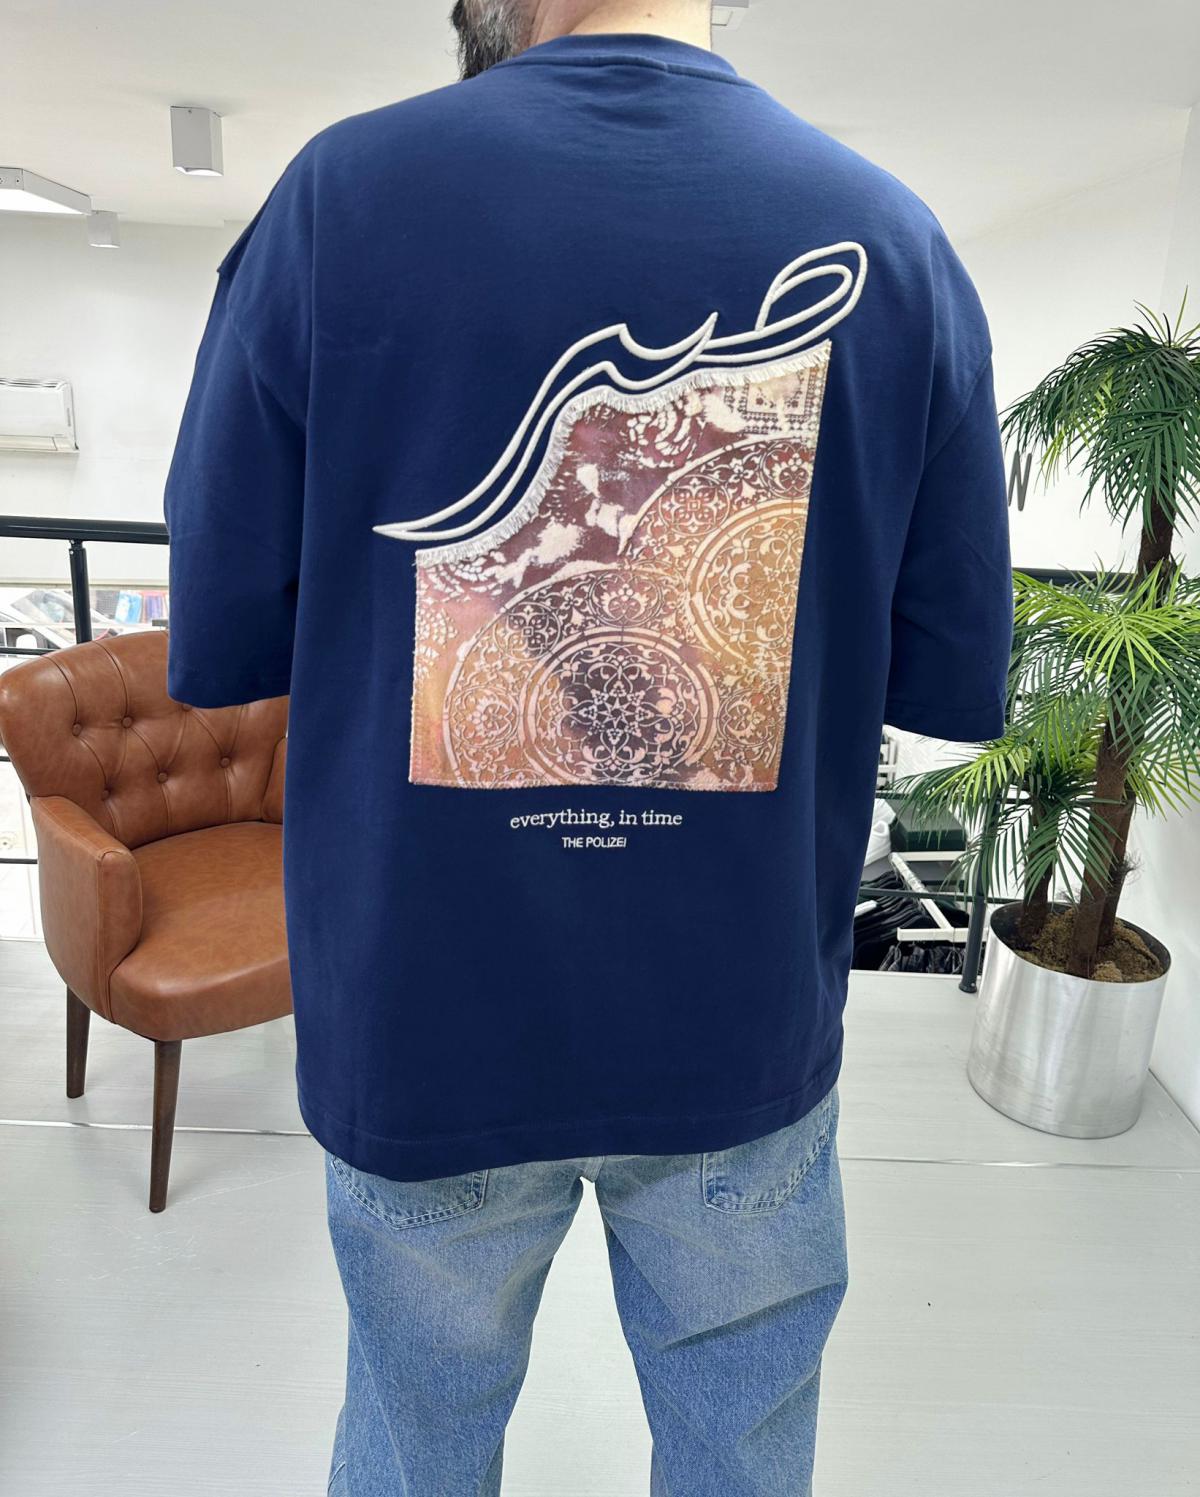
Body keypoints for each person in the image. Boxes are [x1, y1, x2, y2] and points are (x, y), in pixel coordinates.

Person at [163, 0, 1013, 1490]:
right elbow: (946, 669)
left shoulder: (340, 201)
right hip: (734, 1020)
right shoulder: (898, 242)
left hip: (423, 1015)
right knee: (740, 1453)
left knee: (416, 1439)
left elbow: (224, 628)